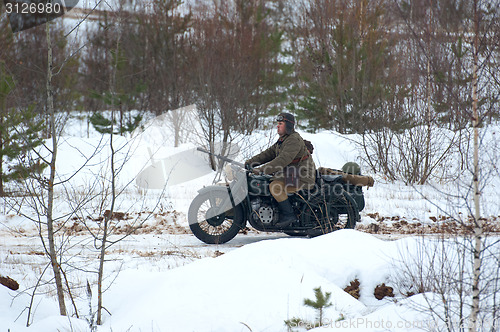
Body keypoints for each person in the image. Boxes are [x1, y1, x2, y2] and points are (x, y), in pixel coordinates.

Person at [245, 112, 316, 227]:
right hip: (292, 174)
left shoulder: (293, 140)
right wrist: (250, 163)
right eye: (277, 123)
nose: (277, 126)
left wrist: (262, 169)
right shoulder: (283, 140)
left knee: (275, 186)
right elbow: (268, 153)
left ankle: (289, 215)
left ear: (288, 125)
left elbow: (282, 160)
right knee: (266, 181)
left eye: (281, 123)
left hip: (302, 176)